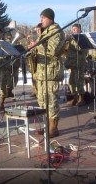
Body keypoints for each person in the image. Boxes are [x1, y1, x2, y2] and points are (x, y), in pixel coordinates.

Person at [28, 8, 65, 137]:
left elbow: (53, 50)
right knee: (42, 100)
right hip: (42, 72)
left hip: (51, 71)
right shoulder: (45, 32)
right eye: (40, 18)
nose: (41, 20)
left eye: (43, 18)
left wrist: (36, 44)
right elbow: (41, 50)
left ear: (50, 19)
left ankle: (53, 127)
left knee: (51, 100)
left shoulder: (56, 31)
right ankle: (47, 125)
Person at [64, 23, 88, 107]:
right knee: (71, 82)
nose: (73, 31)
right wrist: (66, 41)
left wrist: (74, 40)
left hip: (79, 63)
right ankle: (74, 98)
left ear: (80, 30)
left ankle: (82, 99)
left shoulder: (82, 38)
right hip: (71, 63)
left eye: (75, 29)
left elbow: (81, 49)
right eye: (73, 29)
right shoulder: (70, 39)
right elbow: (64, 50)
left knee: (79, 81)